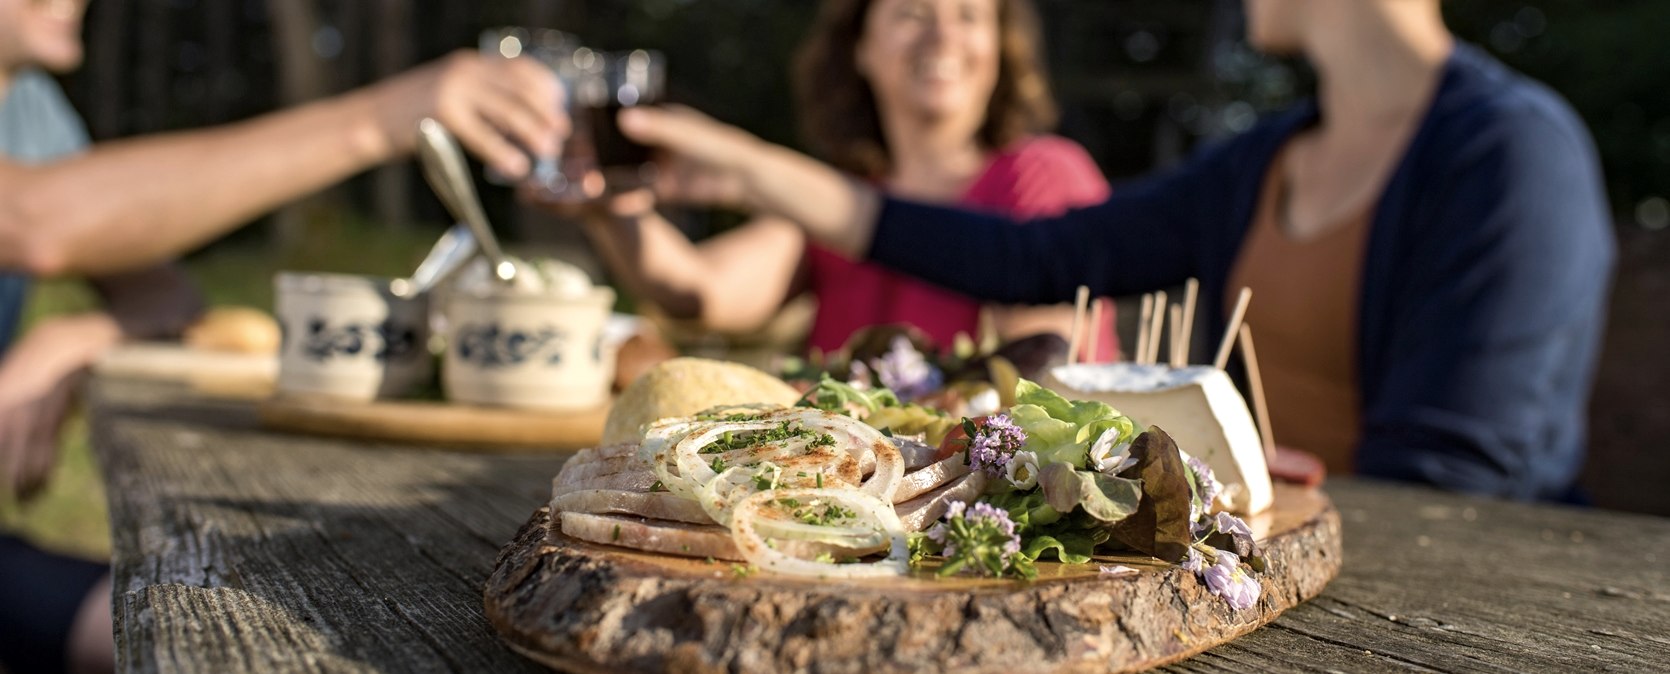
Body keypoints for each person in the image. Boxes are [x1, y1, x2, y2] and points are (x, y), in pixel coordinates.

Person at [610, 0, 1615, 500]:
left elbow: (1454, 495)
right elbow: (1026, 258)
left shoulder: (1511, 156)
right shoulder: (1263, 161)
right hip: (1256, 568)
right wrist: (745, 165)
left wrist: (1227, 486)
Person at [0, 1, 564, 672]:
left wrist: (74, 335)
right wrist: (386, 115)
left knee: (200, 638)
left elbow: (164, 295)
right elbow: (30, 219)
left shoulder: (30, 107)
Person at [556, 0, 1117, 358]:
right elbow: (700, 289)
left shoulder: (1043, 174)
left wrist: (744, 160)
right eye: (912, 14)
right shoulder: (839, 196)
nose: (943, 36)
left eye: (970, 15)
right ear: (862, 49)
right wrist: (611, 206)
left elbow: (1037, 375)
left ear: (998, 48)